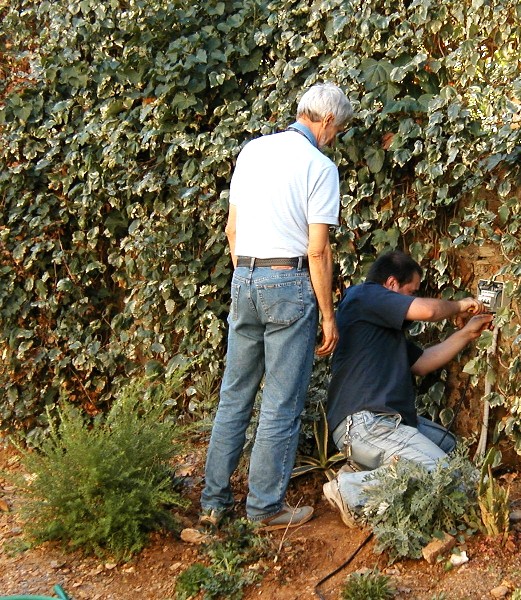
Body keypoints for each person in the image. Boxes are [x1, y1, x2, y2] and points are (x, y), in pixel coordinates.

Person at [200, 83, 354, 531]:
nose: (335, 137)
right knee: (281, 404)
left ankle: (213, 503)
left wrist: (248, 277)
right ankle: (265, 508)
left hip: (243, 275)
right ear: (325, 121)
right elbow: (319, 251)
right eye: (338, 129)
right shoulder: (320, 167)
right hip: (287, 281)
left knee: (234, 396)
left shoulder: (253, 151)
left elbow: (232, 229)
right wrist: (327, 314)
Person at [322, 250, 493, 527]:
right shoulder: (363, 295)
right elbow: (428, 311)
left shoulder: (381, 328)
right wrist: (462, 306)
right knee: (447, 475)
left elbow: (423, 363)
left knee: (450, 450)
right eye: (411, 291)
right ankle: (350, 489)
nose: (414, 298)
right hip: (366, 424)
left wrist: (468, 332)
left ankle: (368, 469)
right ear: (390, 285)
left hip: (387, 423)